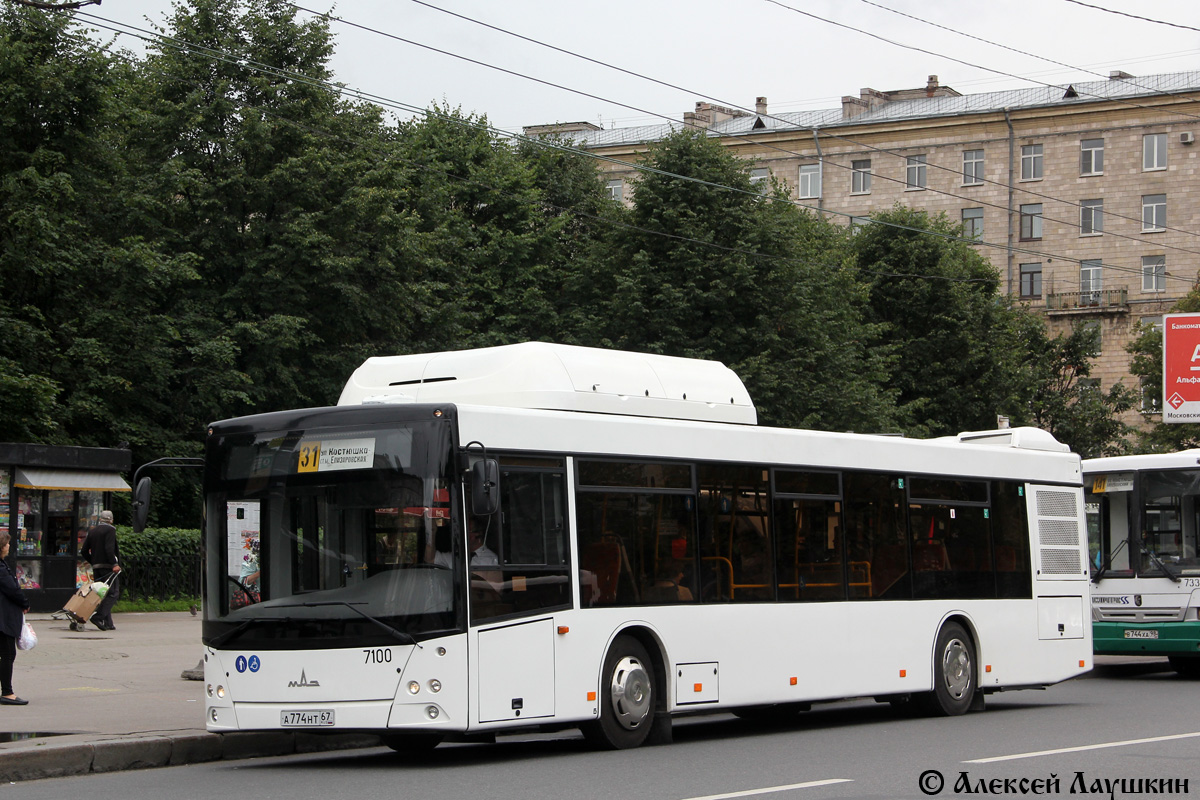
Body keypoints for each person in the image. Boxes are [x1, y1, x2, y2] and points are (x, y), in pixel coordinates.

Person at [0, 531, 31, 705]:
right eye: (7, 544)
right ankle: (7, 692)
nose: (9, 546)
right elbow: (12, 589)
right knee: (7, 654)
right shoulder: (1, 568)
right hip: (4, 618)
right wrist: (24, 603)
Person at [81, 510, 121, 631]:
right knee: (113, 593)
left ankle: (108, 623)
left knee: (103, 594)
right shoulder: (110, 530)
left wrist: (93, 561)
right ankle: (98, 617)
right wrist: (114, 564)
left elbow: (84, 550)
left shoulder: (93, 531)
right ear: (111, 520)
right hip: (108, 567)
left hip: (97, 567)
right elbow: (109, 548)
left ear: (100, 519)